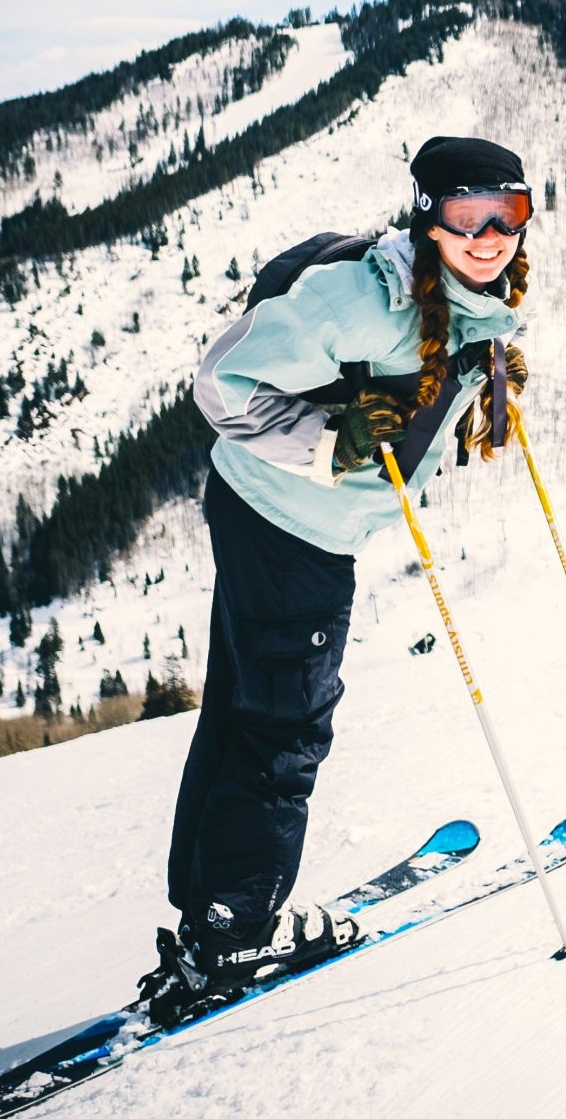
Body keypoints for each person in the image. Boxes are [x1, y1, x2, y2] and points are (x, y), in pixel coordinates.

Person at [136, 136, 533, 1023]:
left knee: (242, 710)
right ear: (428, 214)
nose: (490, 234)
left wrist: (483, 384)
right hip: (289, 528)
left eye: (510, 212)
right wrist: (332, 442)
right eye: (467, 214)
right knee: (285, 730)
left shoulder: (479, 294)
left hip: (286, 520)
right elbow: (221, 387)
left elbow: (426, 373)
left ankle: (206, 909)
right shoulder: (359, 301)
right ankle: (235, 934)